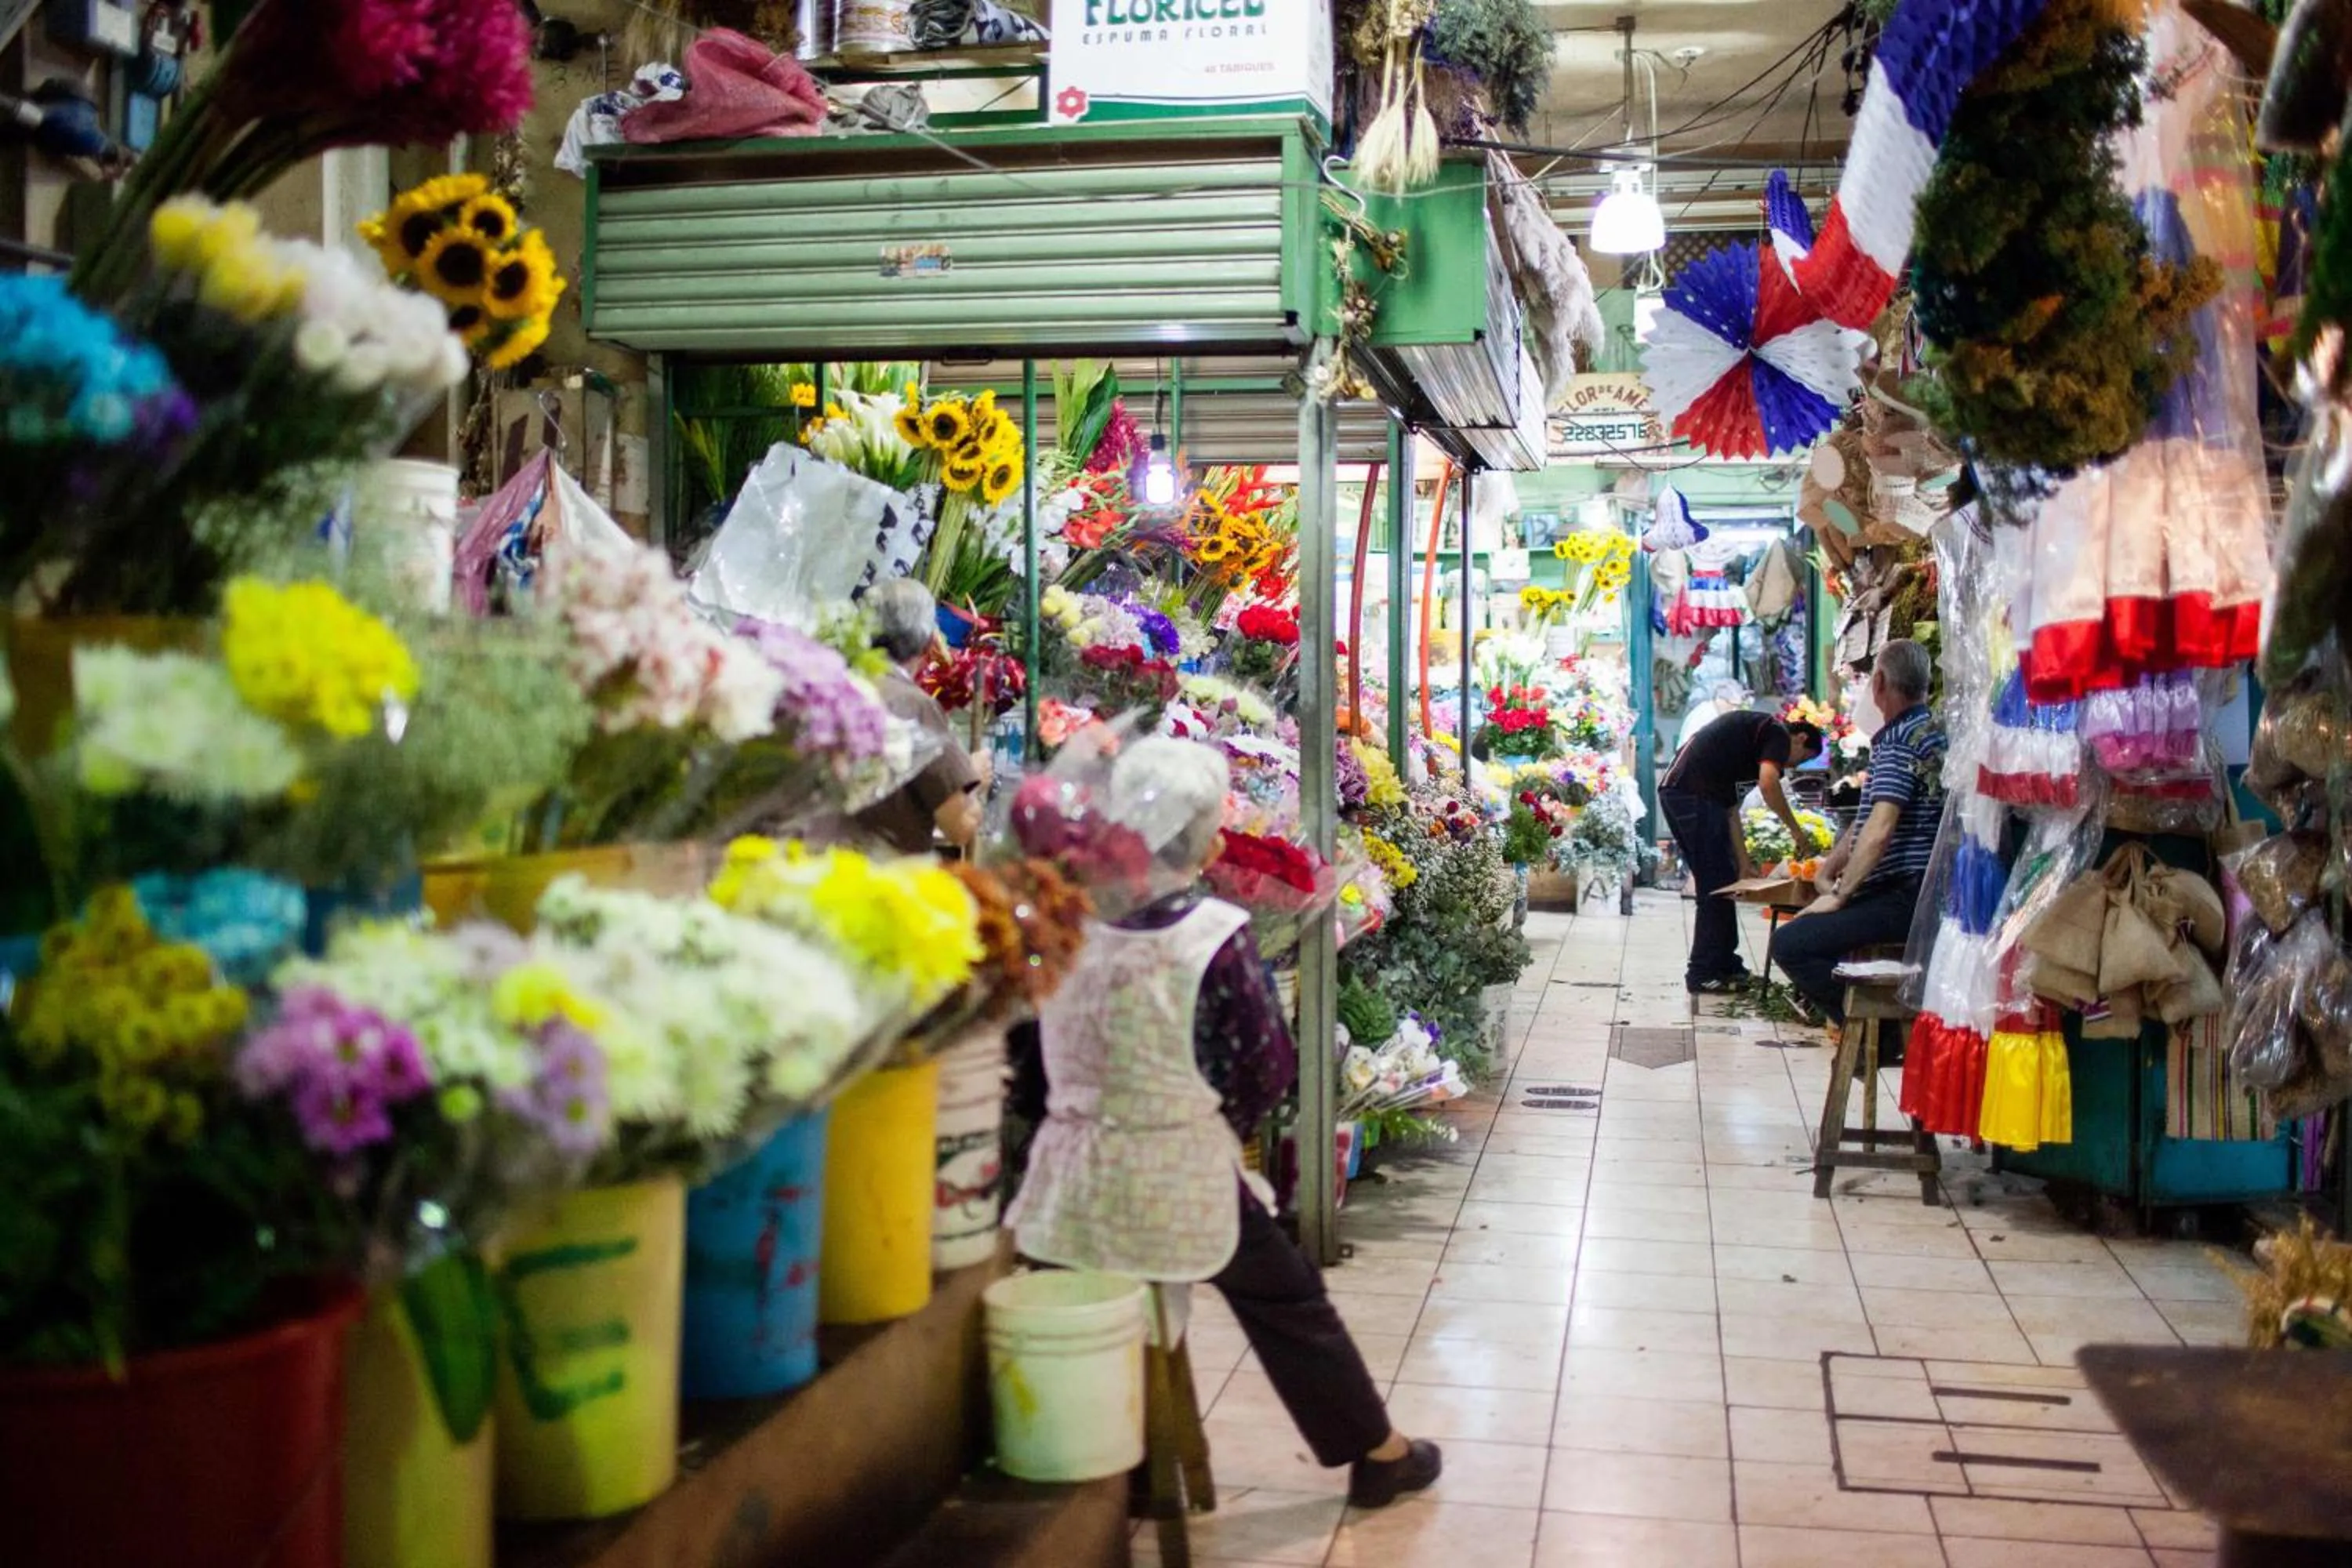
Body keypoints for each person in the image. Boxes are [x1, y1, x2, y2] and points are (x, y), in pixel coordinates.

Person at [1005, 736, 1443, 1509]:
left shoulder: (1066, 918)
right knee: (1288, 1299)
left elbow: (1030, 1060)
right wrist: (1205, 1123)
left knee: (1095, 1299)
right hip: (1180, 1169)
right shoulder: (1209, 933)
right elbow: (1263, 1065)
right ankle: (1378, 1451)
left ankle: (1125, 1461)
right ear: (1208, 842)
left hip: (1070, 1180)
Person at [1772, 640, 1947, 1029]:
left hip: (1908, 896)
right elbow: (1866, 822)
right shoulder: (1920, 730)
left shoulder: (1904, 740)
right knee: (1811, 930)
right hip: (1915, 891)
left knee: (1791, 945)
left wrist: (1839, 895)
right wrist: (1829, 870)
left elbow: (1880, 830)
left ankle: (1880, 1037)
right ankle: (1875, 1028)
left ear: (1880, 682)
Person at [1659, 706, 1826, 993]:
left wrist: (1744, 861)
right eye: (1803, 758)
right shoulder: (1776, 732)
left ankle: (1726, 964)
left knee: (1725, 881)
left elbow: (1731, 810)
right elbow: (1768, 785)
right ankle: (1702, 972)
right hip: (1688, 794)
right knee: (1713, 884)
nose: (1793, 767)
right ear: (1799, 739)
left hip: (1696, 798)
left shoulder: (1752, 750)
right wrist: (1797, 833)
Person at [853, 577, 985, 855]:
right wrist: (976, 778)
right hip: (878, 881)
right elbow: (959, 825)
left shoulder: (830, 688)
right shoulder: (914, 706)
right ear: (928, 646)